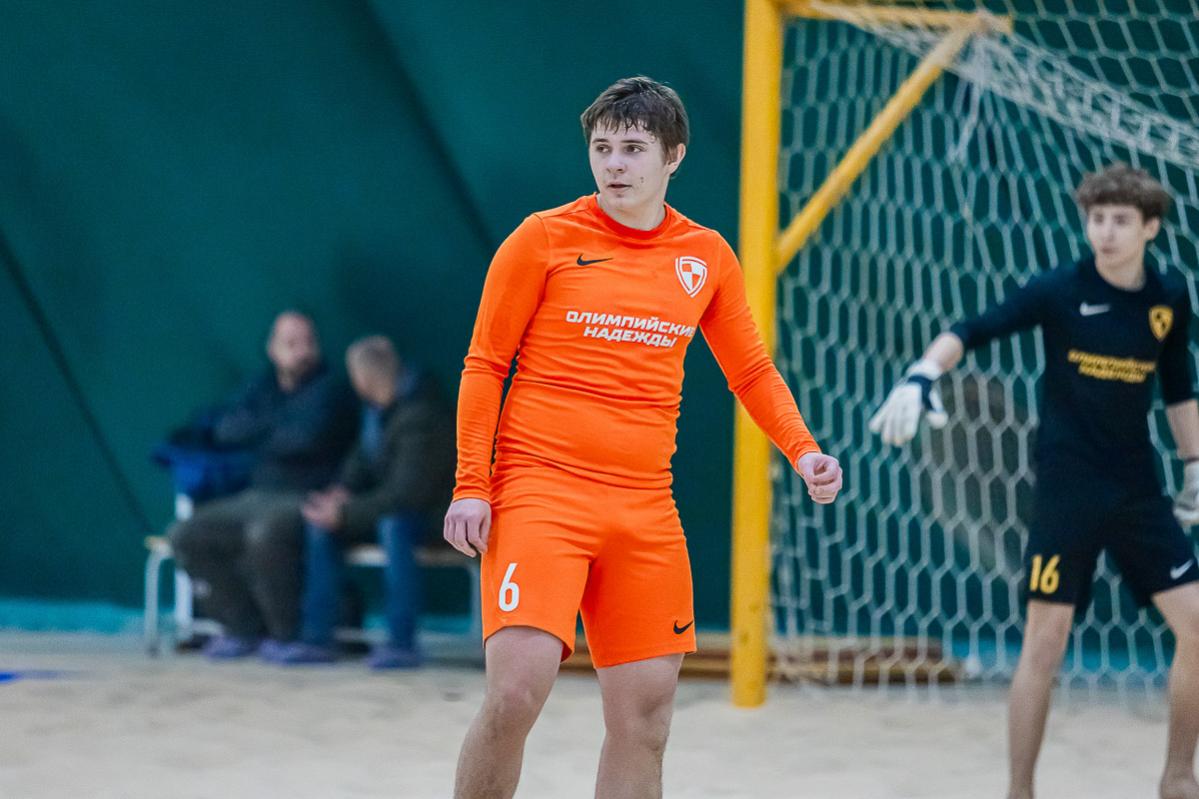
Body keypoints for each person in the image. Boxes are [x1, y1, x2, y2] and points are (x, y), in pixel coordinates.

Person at [442, 76, 843, 799]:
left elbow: (750, 370)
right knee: (516, 693)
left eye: (632, 148)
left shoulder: (705, 256)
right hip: (540, 492)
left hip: (643, 507)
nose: (614, 164)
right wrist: (471, 484)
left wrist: (804, 449)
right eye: (602, 148)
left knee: (646, 719)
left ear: (673, 156)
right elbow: (485, 364)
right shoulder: (542, 238)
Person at [869, 163, 1199, 799]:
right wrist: (922, 373)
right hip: (1067, 493)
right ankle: (1020, 790)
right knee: (1044, 645)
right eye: (1096, 219)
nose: (1105, 232)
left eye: (1120, 220)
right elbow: (972, 329)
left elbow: (1179, 384)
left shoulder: (1168, 297)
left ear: (1150, 228)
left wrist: (1194, 465)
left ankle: (1179, 776)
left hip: (1138, 491)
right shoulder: (1060, 290)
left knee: (1196, 627)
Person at [169, 310, 358, 659]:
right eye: (292, 343)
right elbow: (226, 430)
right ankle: (242, 627)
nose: (302, 351)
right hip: (256, 494)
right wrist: (275, 426)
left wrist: (260, 430)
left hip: (307, 495)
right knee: (185, 534)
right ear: (273, 349)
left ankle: (286, 633)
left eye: (309, 342)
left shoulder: (331, 387)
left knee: (265, 534)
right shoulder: (261, 385)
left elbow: (305, 438)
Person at [274, 335, 454, 669]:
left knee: (394, 527)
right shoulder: (376, 412)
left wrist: (344, 514)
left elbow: (407, 495)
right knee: (321, 527)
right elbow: (360, 461)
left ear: (362, 377)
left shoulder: (422, 415)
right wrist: (340, 493)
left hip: (434, 517)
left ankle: (402, 642)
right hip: (384, 510)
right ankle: (318, 638)